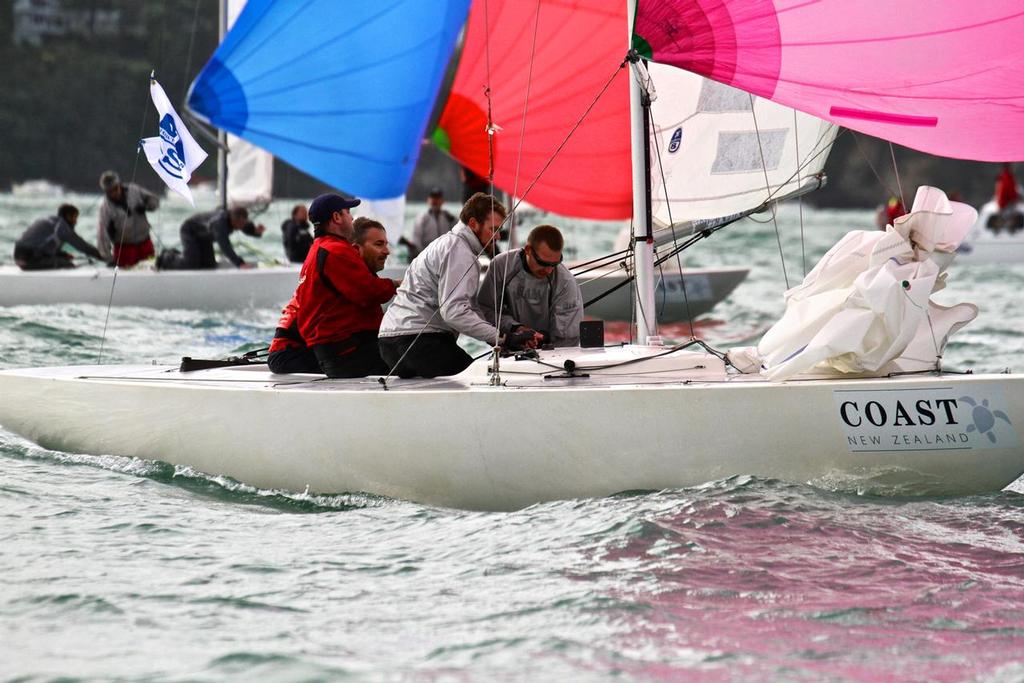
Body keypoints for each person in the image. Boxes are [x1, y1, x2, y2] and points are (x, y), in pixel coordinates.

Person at [378, 192, 541, 379]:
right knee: (480, 381)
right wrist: (502, 338)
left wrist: (506, 333)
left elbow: (468, 308)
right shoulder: (459, 251)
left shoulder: (448, 244)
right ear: (473, 224)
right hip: (418, 341)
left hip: (391, 342)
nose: (496, 238)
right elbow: (454, 312)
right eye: (493, 230)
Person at [268, 215, 395, 374]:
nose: (386, 251)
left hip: (306, 350)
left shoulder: (357, 279)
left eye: (386, 244)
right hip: (289, 354)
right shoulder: (347, 277)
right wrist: (397, 284)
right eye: (379, 244)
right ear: (356, 249)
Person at [294, 194, 400, 378]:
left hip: (332, 351)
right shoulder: (336, 250)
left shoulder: (317, 248)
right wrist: (398, 284)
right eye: (348, 212)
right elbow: (369, 291)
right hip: (347, 354)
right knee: (417, 361)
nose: (352, 218)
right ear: (337, 217)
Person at [478, 224, 583, 347]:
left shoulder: (565, 282)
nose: (549, 270)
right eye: (543, 263)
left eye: (555, 263)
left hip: (550, 351)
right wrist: (516, 329)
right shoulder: (501, 265)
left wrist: (542, 339)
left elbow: (568, 340)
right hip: (509, 343)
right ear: (528, 250)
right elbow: (485, 310)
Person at [159, 207, 266, 270]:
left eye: (244, 223)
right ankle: (166, 258)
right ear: (234, 220)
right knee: (191, 264)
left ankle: (181, 255)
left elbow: (246, 227)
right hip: (190, 231)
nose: (241, 227)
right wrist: (240, 263)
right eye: (240, 224)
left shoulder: (238, 220)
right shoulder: (220, 224)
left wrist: (255, 232)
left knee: (209, 265)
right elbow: (225, 246)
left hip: (205, 237)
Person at [97, 170, 160, 267]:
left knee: (152, 268)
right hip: (124, 249)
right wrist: (109, 258)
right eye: (110, 191)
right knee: (127, 276)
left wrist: (146, 206)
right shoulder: (105, 209)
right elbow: (102, 236)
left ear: (119, 184)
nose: (114, 193)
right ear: (106, 192)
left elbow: (154, 200)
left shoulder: (134, 190)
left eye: (115, 188)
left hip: (145, 243)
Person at [13, 203, 103, 270]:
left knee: (61, 259)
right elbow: (82, 246)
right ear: (68, 216)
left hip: (18, 256)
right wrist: (102, 256)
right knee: (68, 264)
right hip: (29, 260)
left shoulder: (48, 220)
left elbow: (42, 244)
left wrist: (61, 254)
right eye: (75, 218)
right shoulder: (61, 226)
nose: (76, 222)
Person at [402, 187, 456, 259]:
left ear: (442, 201)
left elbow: (456, 235)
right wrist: (423, 257)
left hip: (444, 256)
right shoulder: (422, 218)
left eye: (437, 198)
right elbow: (416, 240)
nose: (435, 201)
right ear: (428, 200)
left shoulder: (449, 217)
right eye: (433, 198)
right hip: (427, 256)